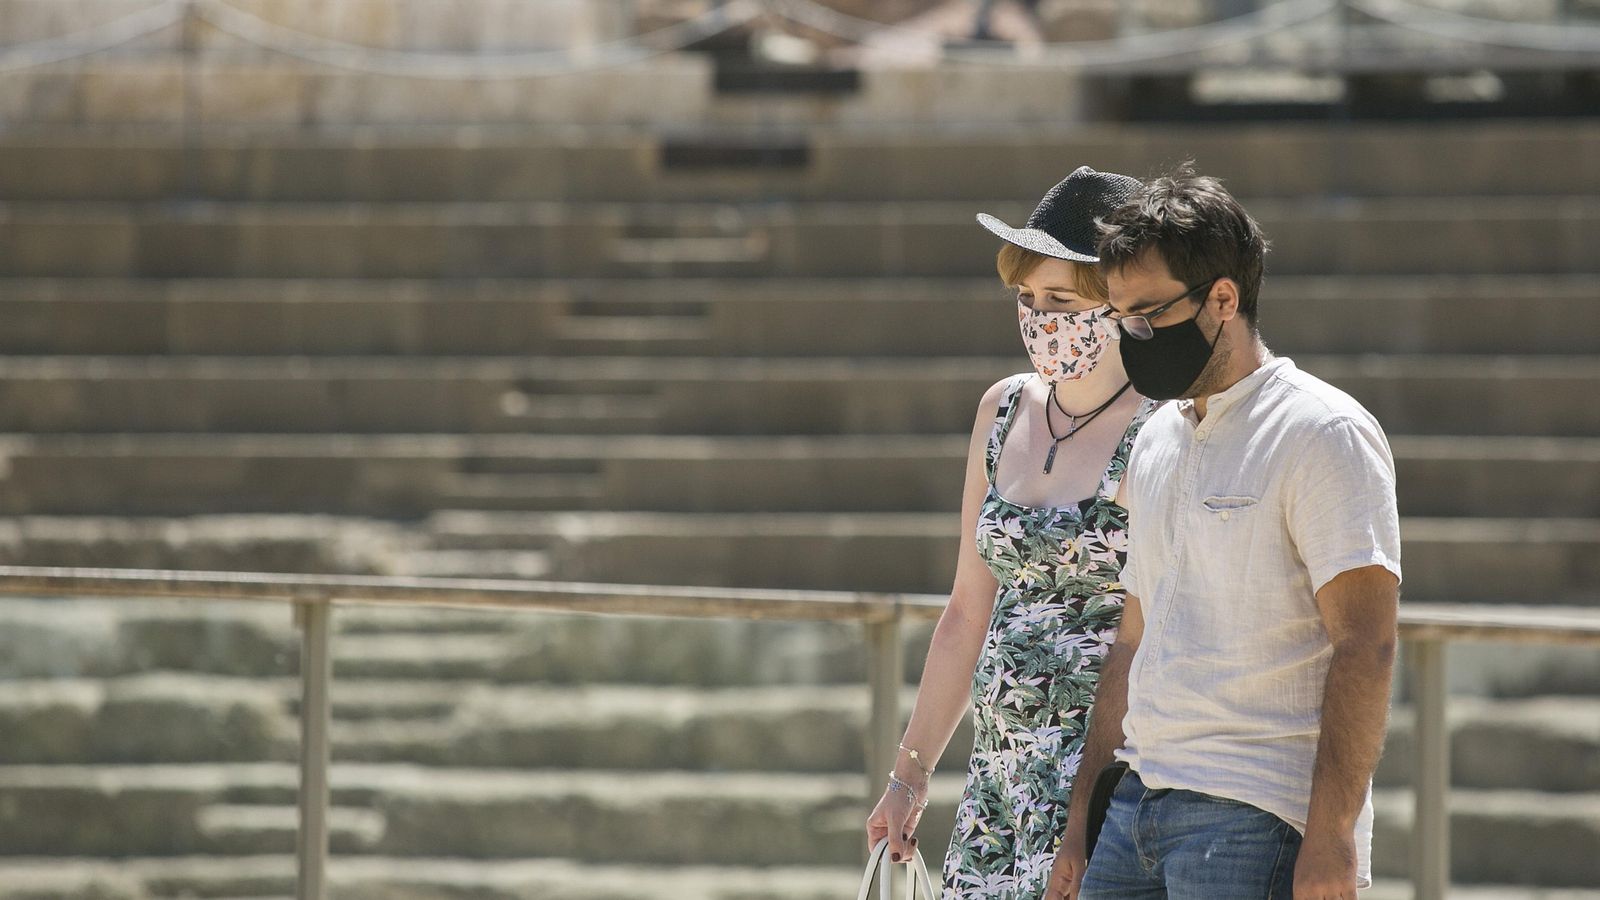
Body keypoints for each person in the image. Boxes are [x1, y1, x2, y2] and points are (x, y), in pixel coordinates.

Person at [1045, 164, 1403, 899]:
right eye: (1120, 318)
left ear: (1224, 299)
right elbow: (1132, 644)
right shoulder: (1155, 440)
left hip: (1256, 815)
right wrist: (1083, 817)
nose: (1133, 335)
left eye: (1149, 314)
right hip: (1136, 804)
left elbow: (1366, 644)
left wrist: (1332, 839)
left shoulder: (1321, 430)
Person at [864, 165, 1159, 898]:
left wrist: (1087, 809)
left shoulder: (1161, 431)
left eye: (1061, 299)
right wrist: (909, 773)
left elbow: (1145, 632)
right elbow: (968, 609)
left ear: (1119, 301)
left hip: (1107, 791)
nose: (1038, 316)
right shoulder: (1001, 411)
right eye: (1027, 298)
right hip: (999, 790)